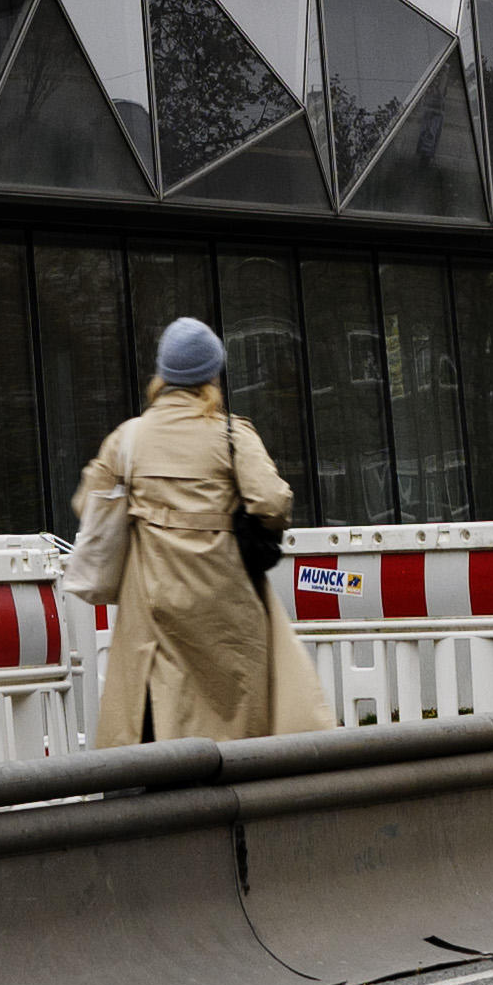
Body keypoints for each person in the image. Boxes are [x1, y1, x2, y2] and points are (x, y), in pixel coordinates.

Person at [74, 317, 311, 741]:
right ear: (211, 377)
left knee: (158, 717)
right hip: (225, 605)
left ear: (162, 377)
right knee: (234, 731)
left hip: (153, 605)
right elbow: (273, 503)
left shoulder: (129, 438)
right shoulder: (231, 435)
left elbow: (87, 504)